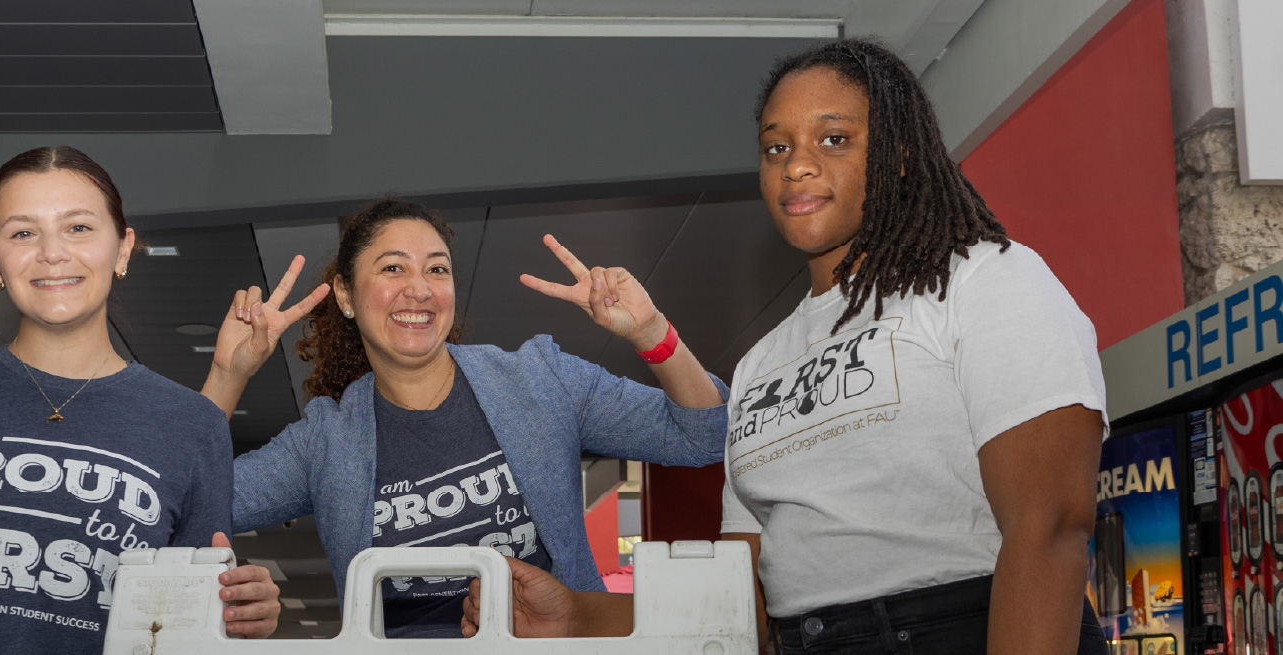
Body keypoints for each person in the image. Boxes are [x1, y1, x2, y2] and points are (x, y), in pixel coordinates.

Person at [458, 39, 1108, 654]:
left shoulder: (986, 279)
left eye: (834, 138)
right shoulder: (761, 364)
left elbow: (1049, 526)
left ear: (900, 154)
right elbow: (741, 600)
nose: (796, 164)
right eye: (776, 147)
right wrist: (578, 614)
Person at [199, 197, 729, 638]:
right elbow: (181, 504)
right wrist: (227, 373)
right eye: (392, 268)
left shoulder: (540, 380)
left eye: (437, 268)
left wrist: (652, 332)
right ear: (345, 295)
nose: (420, 288)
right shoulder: (325, 442)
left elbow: (703, 437)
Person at [0, 146, 282, 654]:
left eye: (78, 227)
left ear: (122, 249)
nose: (52, 252)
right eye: (23, 232)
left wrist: (241, 615)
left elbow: (189, 623)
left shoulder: (193, 424)